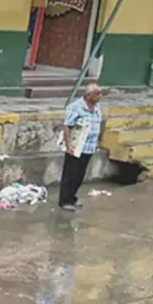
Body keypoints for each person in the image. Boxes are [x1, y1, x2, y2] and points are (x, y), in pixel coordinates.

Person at [59, 83, 104, 211]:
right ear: (88, 95)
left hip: (89, 147)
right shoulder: (75, 107)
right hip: (76, 147)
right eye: (97, 94)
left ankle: (72, 197)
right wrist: (69, 146)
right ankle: (65, 200)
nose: (100, 97)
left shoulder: (96, 107)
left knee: (80, 175)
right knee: (70, 174)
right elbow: (67, 126)